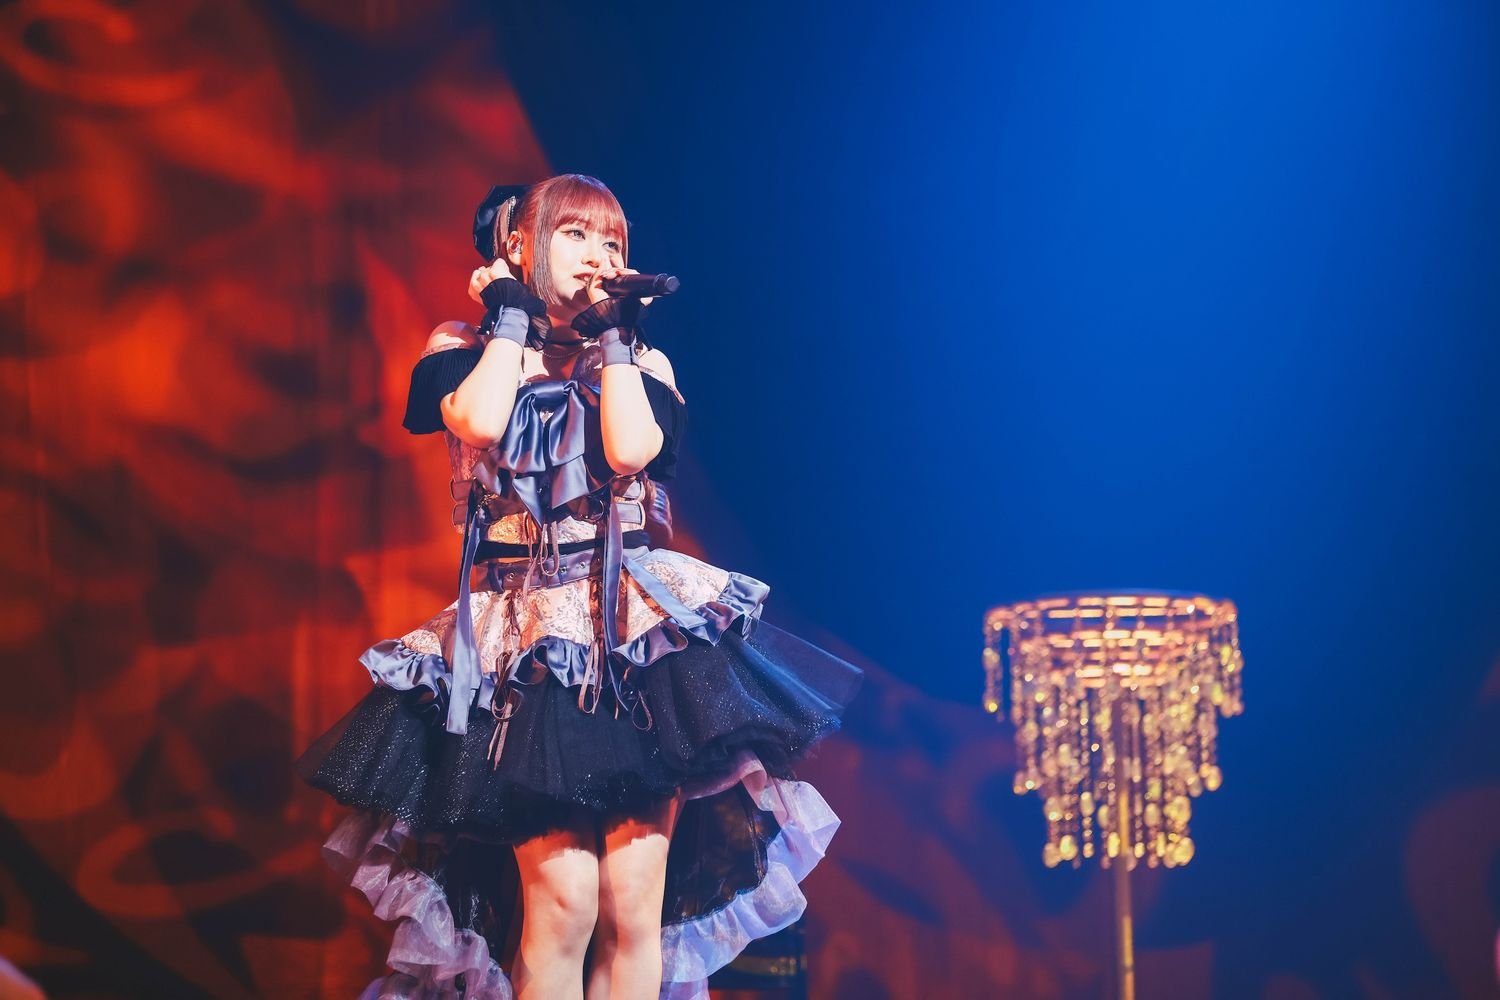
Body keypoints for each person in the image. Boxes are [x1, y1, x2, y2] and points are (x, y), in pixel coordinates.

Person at [299, 174, 862, 1000]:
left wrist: (618, 340)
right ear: (519, 244)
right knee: (563, 904)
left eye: (613, 241)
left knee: (632, 905)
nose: (599, 254)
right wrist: (510, 316)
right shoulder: (463, 344)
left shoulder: (638, 359)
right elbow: (481, 422)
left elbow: (630, 451)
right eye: (576, 234)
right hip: (524, 641)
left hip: (630, 635)